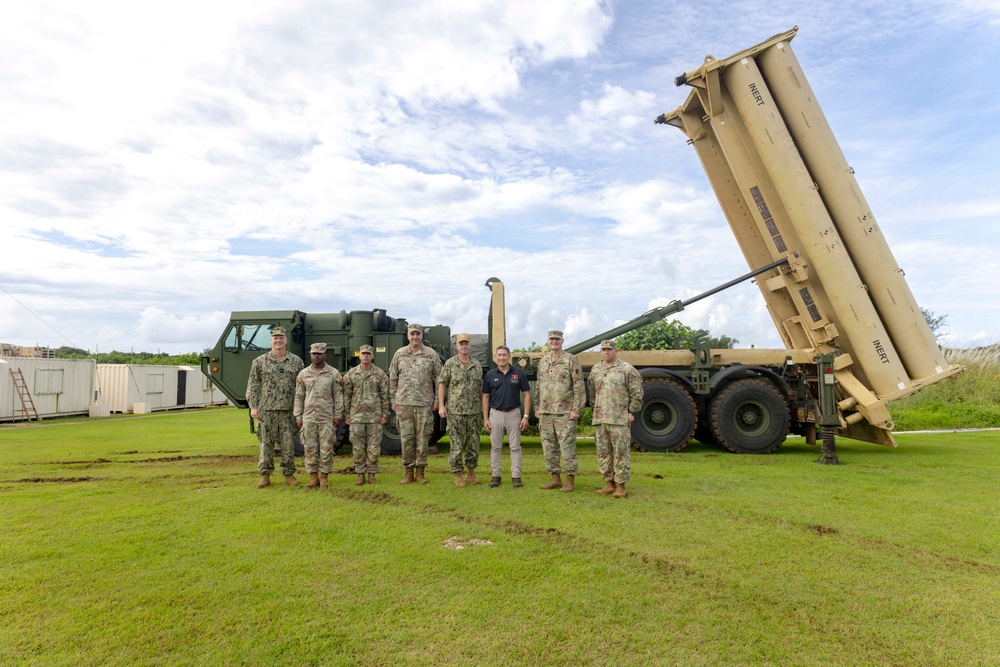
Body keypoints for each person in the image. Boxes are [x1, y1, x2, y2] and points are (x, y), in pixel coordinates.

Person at [247, 326, 305, 488]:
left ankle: (289, 474)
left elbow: (301, 387)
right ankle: (265, 475)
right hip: (266, 410)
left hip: (288, 410)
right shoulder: (259, 362)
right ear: (271, 340)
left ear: (285, 340)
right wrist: (253, 406)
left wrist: (300, 409)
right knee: (266, 443)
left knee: (288, 444)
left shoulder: (296, 361)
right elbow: (253, 385)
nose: (278, 340)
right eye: (275, 338)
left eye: (281, 338)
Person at [588, 339, 644, 498]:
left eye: (609, 350)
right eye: (604, 350)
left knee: (621, 453)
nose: (606, 352)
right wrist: (595, 409)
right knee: (603, 453)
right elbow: (592, 392)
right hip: (601, 419)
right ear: (600, 352)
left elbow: (637, 394)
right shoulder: (596, 370)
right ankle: (609, 483)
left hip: (619, 419)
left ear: (615, 351)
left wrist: (631, 411)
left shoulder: (627, 369)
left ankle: (621, 486)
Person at [388, 323, 443, 484]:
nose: (415, 337)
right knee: (406, 439)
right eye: (412, 334)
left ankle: (420, 472)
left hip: (424, 404)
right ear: (407, 336)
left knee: (423, 439)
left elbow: (439, 378)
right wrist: (392, 400)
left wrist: (437, 400)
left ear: (422, 336)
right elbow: (393, 378)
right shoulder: (400, 354)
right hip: (403, 403)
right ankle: (408, 472)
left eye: (417, 334)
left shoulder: (431, 354)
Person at [534, 329, 585, 492]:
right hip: (546, 412)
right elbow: (539, 386)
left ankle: (570, 480)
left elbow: (578, 385)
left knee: (567, 448)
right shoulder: (543, 362)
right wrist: (537, 408)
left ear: (562, 341)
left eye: (557, 339)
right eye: (551, 339)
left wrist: (577, 409)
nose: (554, 342)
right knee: (549, 447)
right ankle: (555, 478)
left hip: (565, 412)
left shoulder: (571, 360)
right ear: (548, 342)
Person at [293, 342, 342, 488]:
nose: (316, 356)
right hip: (308, 417)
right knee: (309, 448)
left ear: (325, 355)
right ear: (310, 355)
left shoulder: (333, 373)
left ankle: (324, 477)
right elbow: (299, 396)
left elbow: (338, 396)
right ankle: (313, 477)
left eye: (319, 353)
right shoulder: (303, 374)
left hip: (327, 417)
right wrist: (298, 416)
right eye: (314, 353)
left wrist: (338, 415)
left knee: (327, 448)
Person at [438, 333, 484, 487]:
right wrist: (441, 406)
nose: (464, 346)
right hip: (455, 412)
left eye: (466, 343)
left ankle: (471, 473)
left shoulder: (476, 364)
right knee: (456, 444)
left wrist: (483, 410)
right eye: (461, 344)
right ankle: (457, 474)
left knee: (473, 444)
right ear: (457, 346)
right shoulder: (450, 364)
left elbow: (480, 388)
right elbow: (442, 384)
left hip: (474, 411)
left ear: (470, 346)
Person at [481, 345, 531, 488]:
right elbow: (485, 397)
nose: (502, 358)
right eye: (499, 355)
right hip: (495, 414)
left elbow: (526, 394)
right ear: (495, 357)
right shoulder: (490, 375)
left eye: (504, 355)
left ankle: (516, 477)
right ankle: (496, 476)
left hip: (513, 413)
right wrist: (485, 418)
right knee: (495, 447)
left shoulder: (518, 374)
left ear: (509, 357)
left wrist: (525, 416)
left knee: (515, 447)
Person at [342, 344, 390, 485]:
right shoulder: (351, 375)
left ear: (372, 356)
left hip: (374, 417)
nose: (366, 356)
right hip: (356, 417)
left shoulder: (380, 374)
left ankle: (372, 473)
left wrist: (385, 414)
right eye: (363, 353)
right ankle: (360, 474)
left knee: (374, 448)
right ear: (359, 355)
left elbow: (385, 396)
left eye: (368, 354)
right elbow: (346, 396)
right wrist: (347, 415)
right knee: (357, 447)